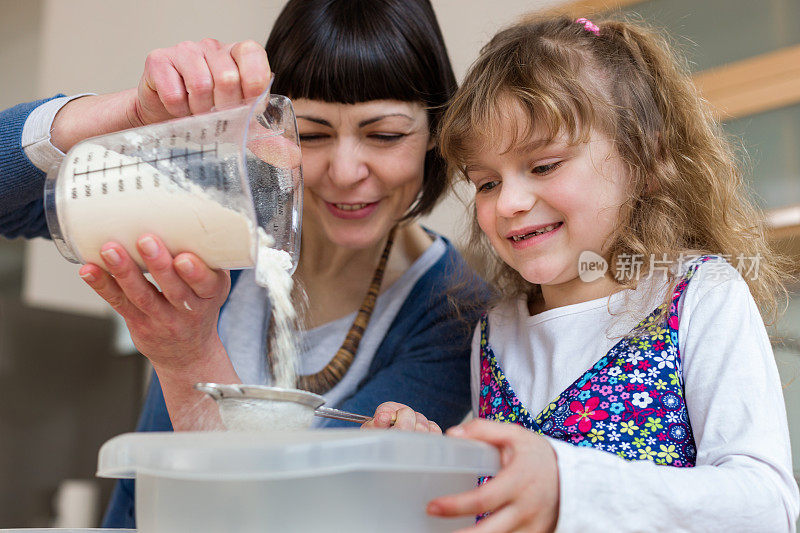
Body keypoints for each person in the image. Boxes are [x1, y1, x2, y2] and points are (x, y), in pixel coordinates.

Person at [1, 0, 487, 527]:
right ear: (269, 127)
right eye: (313, 134)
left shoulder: (453, 309)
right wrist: (132, 113)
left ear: (437, 132)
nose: (346, 172)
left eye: (385, 135)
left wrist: (189, 357)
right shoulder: (217, 209)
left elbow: (289, 513)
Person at [366, 15, 800, 532]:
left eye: (544, 165)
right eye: (485, 183)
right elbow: (503, 506)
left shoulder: (700, 295)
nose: (509, 203)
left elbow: (768, 506)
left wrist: (571, 486)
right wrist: (429, 468)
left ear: (646, 157)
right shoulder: (495, 332)